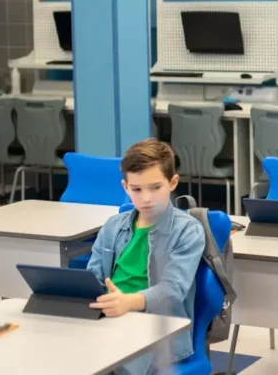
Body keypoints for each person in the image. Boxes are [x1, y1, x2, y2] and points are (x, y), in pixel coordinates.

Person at [87, 138, 205, 375]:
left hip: (158, 327)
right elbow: (92, 277)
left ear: (172, 183)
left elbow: (172, 290)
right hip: (110, 317)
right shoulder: (112, 226)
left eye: (155, 187)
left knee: (109, 365)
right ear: (125, 187)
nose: (146, 198)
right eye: (137, 189)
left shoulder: (187, 230)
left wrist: (128, 303)